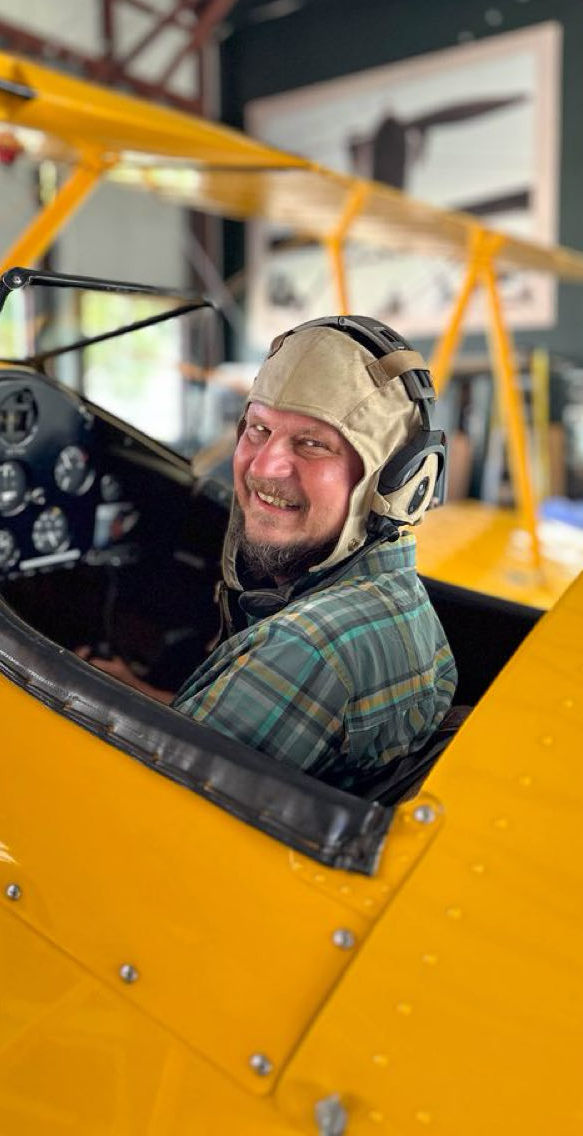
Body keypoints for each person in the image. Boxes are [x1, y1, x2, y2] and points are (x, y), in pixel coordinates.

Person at [86, 315, 457, 793]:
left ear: (396, 483)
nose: (264, 467)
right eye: (258, 429)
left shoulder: (304, 649)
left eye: (312, 443)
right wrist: (136, 695)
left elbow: (139, 804)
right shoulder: (396, 595)